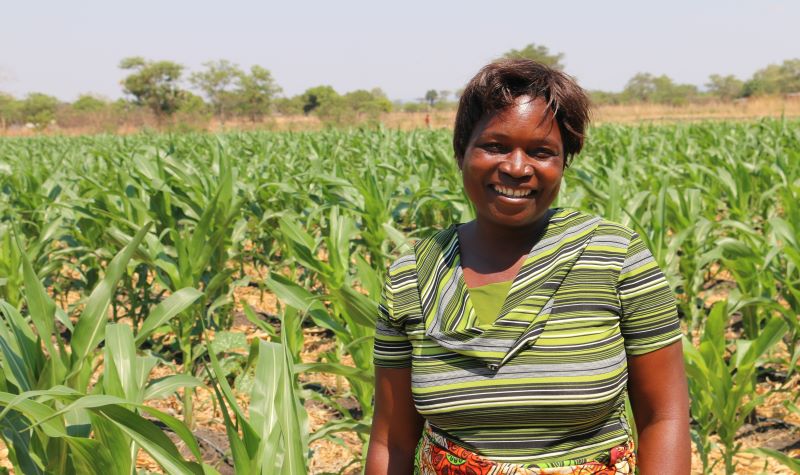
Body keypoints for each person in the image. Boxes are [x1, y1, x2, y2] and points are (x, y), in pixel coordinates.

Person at [365, 59, 690, 475]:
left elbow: (665, 416)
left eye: (541, 152)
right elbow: (390, 440)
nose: (517, 168)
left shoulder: (615, 257)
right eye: (495, 146)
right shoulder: (412, 275)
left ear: (563, 162)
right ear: (461, 151)